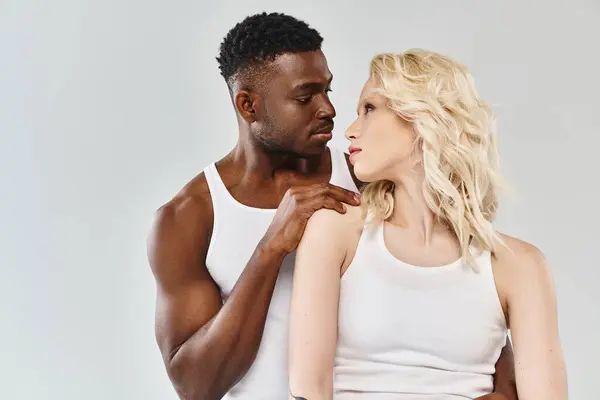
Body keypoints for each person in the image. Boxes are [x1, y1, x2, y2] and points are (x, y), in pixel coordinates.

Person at [146, 12, 519, 400]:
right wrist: (270, 249)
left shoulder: (367, 176)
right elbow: (195, 387)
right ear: (248, 106)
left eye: (328, 90)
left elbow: (472, 305)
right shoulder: (191, 215)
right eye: (305, 97)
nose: (329, 109)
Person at [288, 49, 568, 400]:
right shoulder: (336, 230)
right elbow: (306, 390)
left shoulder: (520, 266)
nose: (350, 130)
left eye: (369, 109)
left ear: (422, 118)